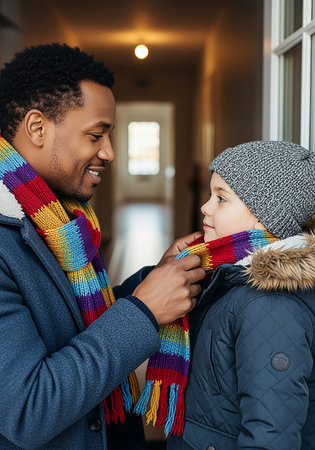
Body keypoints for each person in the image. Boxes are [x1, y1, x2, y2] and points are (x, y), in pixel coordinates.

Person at [0, 43, 205, 449]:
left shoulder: (61, 219)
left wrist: (156, 279)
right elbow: (27, 409)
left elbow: (73, 324)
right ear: (37, 128)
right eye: (96, 135)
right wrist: (145, 310)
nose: (109, 153)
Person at [162, 140, 315, 449]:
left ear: (264, 216)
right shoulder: (228, 275)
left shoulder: (270, 304)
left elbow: (270, 434)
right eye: (210, 194)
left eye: (221, 198)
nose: (205, 206)